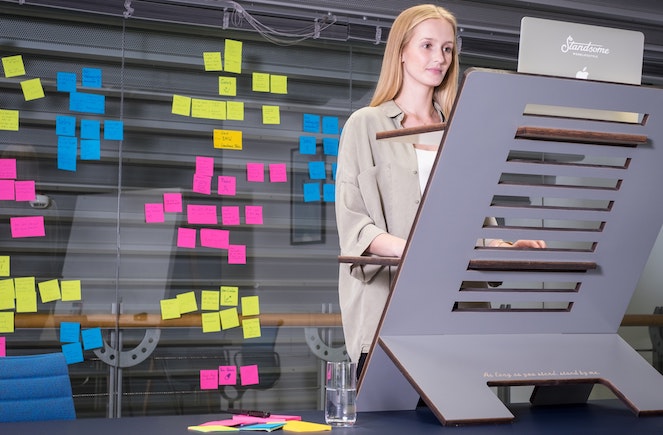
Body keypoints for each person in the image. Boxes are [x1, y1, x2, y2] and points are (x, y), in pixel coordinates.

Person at [334, 4, 545, 374]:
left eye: (447, 48)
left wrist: (508, 250)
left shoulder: (461, 129)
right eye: (427, 46)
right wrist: (424, 253)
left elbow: (480, 224)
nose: (440, 58)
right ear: (401, 51)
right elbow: (356, 227)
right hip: (391, 312)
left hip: (461, 315)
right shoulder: (365, 125)